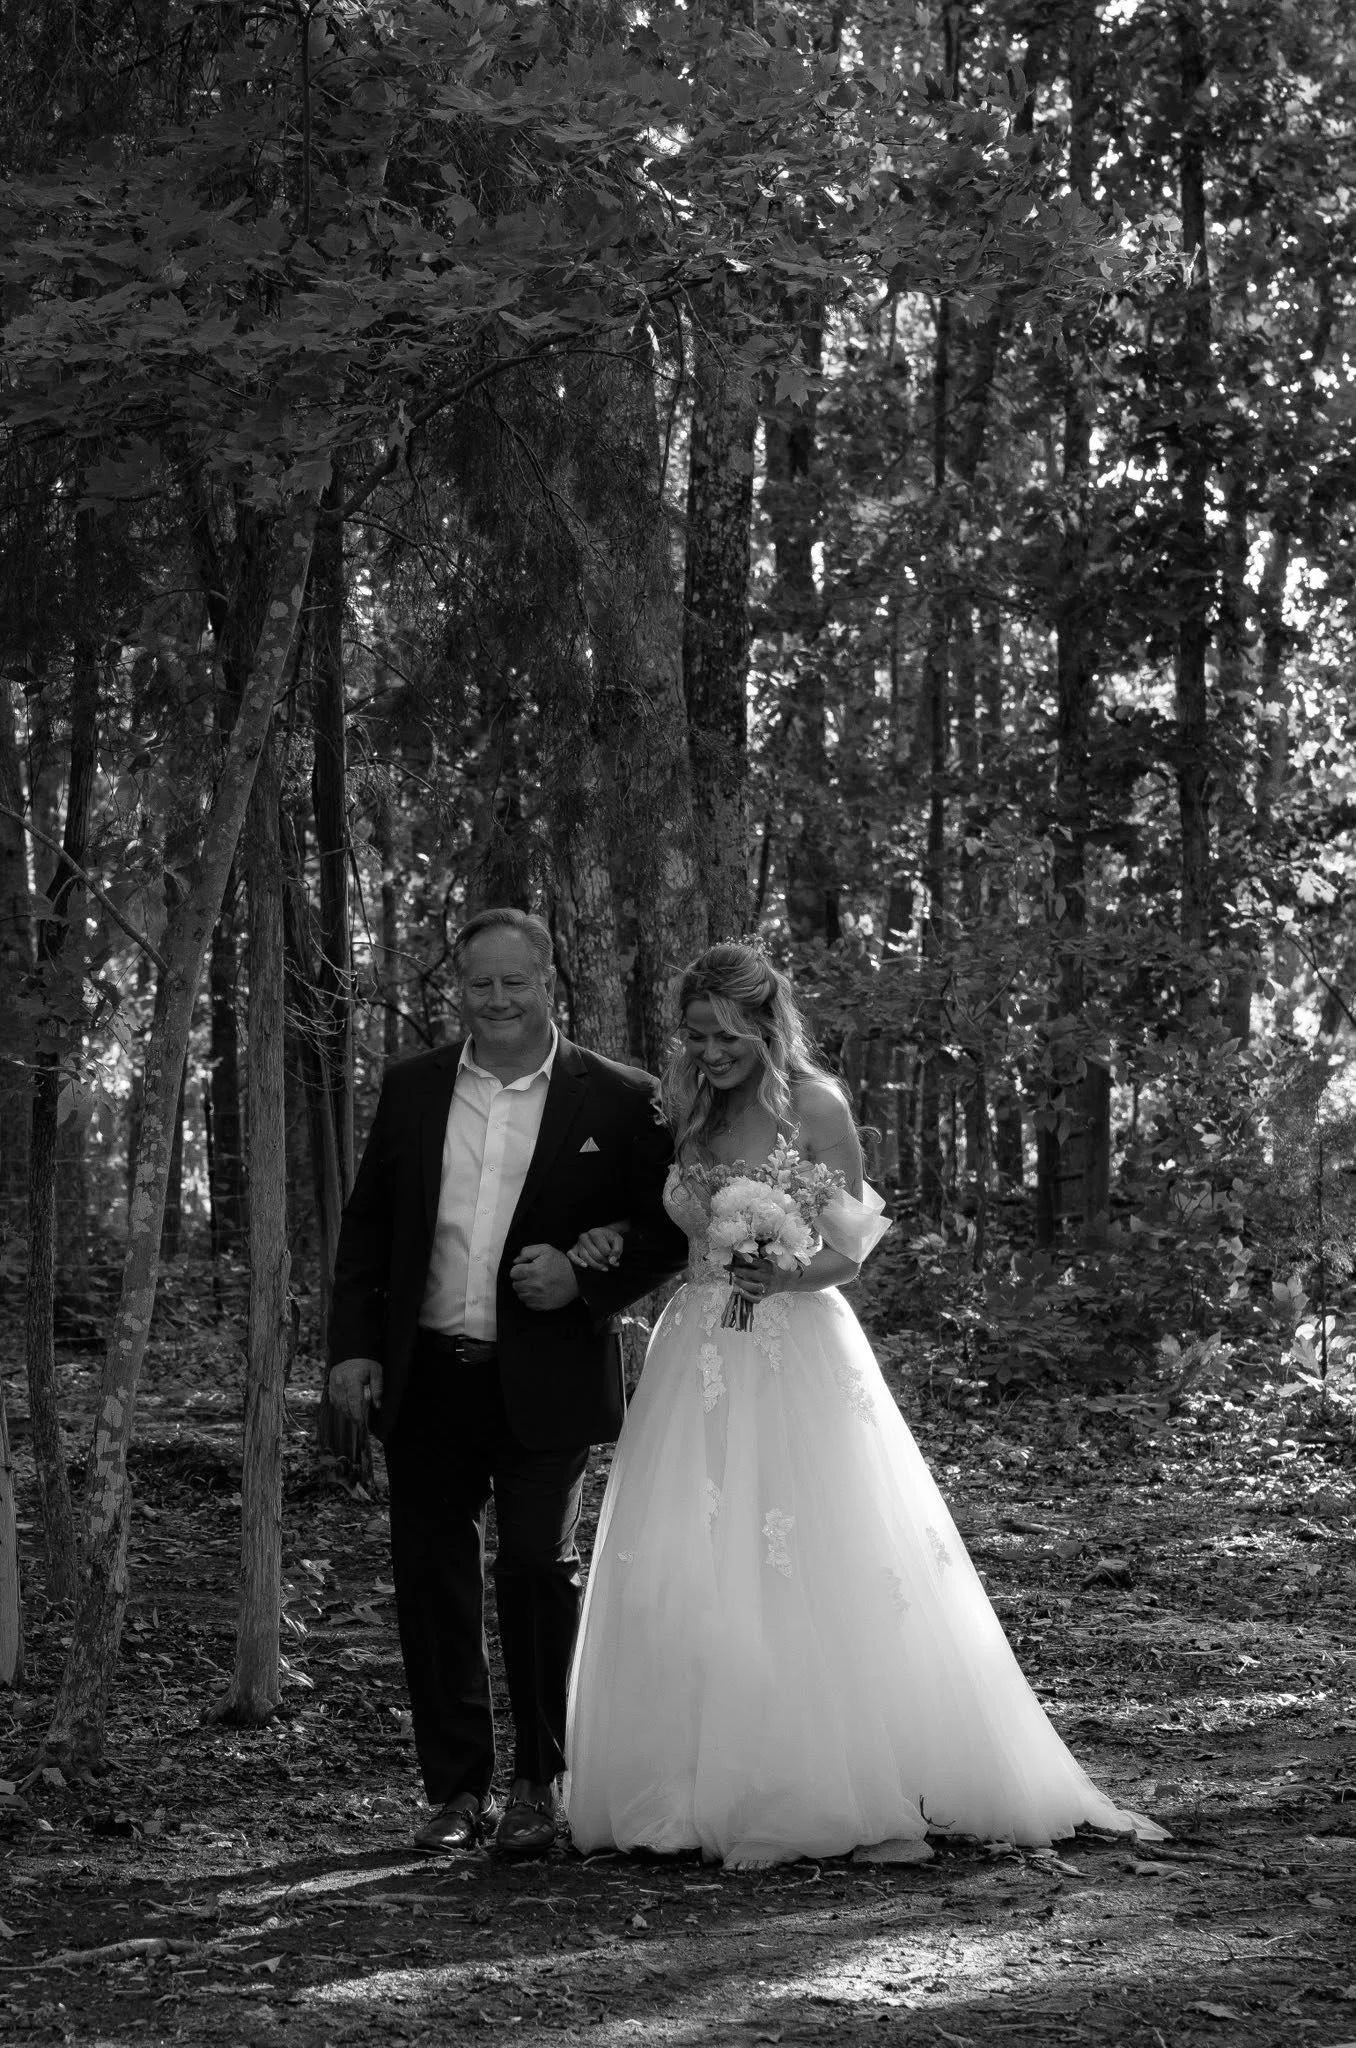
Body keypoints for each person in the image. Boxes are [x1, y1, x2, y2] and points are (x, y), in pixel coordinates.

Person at [563, 942, 1165, 1868]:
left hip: (792, 1344)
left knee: (805, 1549)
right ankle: (684, 1777)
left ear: (767, 1025)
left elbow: (851, 1250)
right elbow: (667, 1218)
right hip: (697, 1349)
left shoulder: (817, 1106)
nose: (710, 1051)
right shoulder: (687, 1102)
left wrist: (782, 1270)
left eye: (726, 1036)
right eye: (694, 1035)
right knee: (690, 1551)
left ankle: (812, 1772)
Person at [327, 907, 687, 1858]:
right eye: (479, 983)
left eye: (514, 982)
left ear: (550, 980)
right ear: (459, 987)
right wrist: (353, 1350)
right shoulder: (411, 1089)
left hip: (547, 1377)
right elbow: (368, 1229)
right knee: (432, 1583)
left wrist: (587, 1278)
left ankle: (540, 1782)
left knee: (534, 1568)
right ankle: (455, 1792)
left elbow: (671, 1229)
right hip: (428, 1377)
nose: (496, 1001)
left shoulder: (619, 1098)